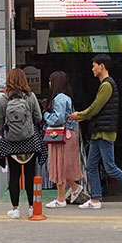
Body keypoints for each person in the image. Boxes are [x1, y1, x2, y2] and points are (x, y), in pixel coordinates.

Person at [68, 54, 122, 210]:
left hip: (105, 132)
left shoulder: (107, 85)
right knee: (91, 165)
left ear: (102, 66)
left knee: (110, 167)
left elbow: (96, 107)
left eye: (94, 65)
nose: (92, 69)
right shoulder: (105, 84)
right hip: (98, 131)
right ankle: (95, 199)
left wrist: (80, 115)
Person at [0, 68, 47, 219]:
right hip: (30, 141)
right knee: (30, 175)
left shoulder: (4, 99)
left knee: (14, 176)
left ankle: (15, 209)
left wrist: (4, 133)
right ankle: (31, 207)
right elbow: (38, 117)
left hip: (11, 143)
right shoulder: (30, 97)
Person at [42, 70, 85, 207]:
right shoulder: (66, 97)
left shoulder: (59, 98)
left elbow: (58, 118)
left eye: (51, 81)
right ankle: (74, 188)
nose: (49, 83)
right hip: (68, 134)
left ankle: (61, 199)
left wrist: (46, 116)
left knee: (59, 165)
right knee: (63, 165)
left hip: (60, 136)